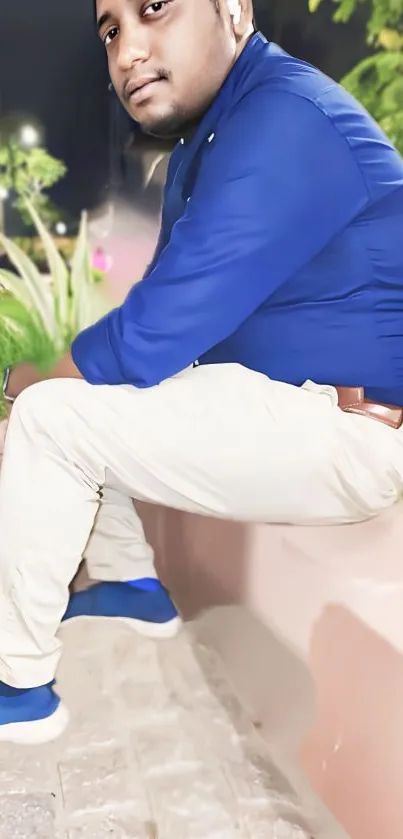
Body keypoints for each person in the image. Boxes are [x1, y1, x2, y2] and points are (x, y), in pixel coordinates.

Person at [1, 0, 403, 745]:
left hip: (347, 435)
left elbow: (157, 327)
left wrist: (27, 386)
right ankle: (129, 582)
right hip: (288, 407)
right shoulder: (213, 137)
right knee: (93, 393)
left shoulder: (288, 115)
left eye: (153, 9)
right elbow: (169, 316)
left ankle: (17, 687)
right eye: (112, 28)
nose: (126, 51)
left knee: (54, 414)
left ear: (233, 11)